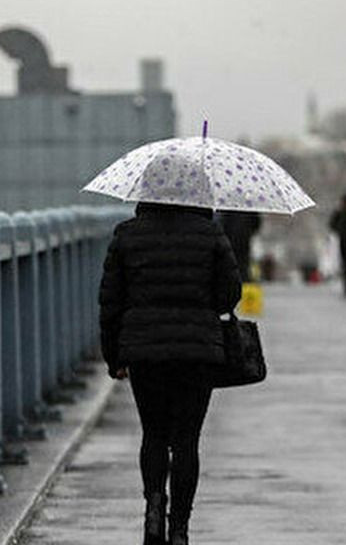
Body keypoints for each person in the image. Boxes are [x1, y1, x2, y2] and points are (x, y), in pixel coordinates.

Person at [99, 202, 242, 545]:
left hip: (144, 350)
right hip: (197, 350)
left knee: (154, 434)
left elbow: (110, 302)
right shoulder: (210, 233)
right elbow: (230, 294)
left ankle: (153, 508)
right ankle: (179, 528)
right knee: (186, 441)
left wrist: (113, 356)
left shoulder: (126, 234)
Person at [218, 211, 262, 282]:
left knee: (231, 264)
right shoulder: (250, 208)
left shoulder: (229, 207)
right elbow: (256, 224)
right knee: (243, 266)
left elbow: (223, 223)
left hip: (230, 241)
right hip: (244, 241)